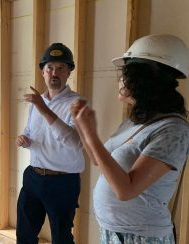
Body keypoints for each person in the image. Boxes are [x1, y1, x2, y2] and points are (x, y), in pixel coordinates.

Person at [71, 34, 189, 244]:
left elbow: (126, 190)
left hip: (142, 237)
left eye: (125, 73)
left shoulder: (173, 129)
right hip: (113, 232)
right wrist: (83, 128)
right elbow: (101, 162)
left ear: (142, 80)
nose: (120, 79)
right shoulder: (137, 120)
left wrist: (90, 135)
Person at [16, 43, 85, 244]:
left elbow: (75, 142)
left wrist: (42, 107)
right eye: (50, 68)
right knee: (25, 235)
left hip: (63, 182)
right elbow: (30, 131)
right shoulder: (38, 102)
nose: (55, 73)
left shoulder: (77, 103)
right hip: (33, 177)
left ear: (69, 72)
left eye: (61, 68)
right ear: (43, 72)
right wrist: (24, 139)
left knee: (61, 238)